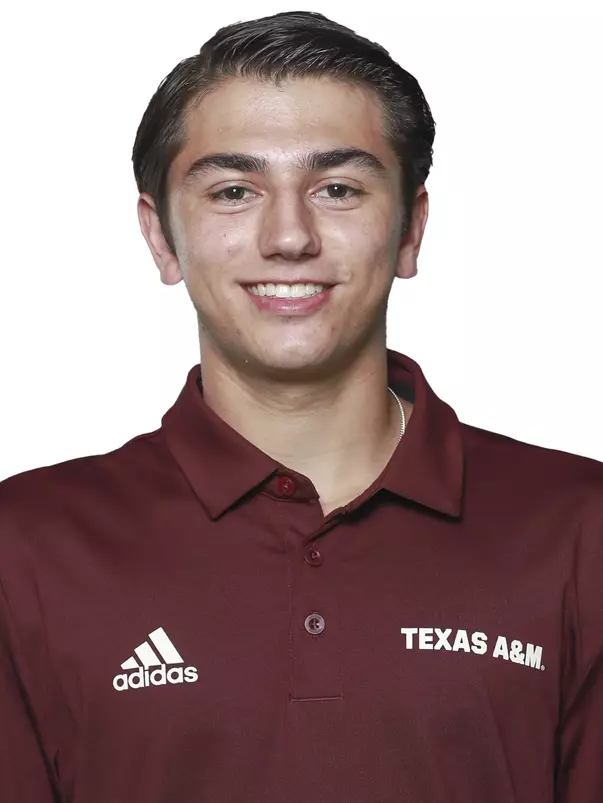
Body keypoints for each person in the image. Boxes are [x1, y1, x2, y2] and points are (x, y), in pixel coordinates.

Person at [1, 9, 601, 802]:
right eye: (233, 190)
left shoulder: (578, 527)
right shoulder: (27, 545)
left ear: (411, 228)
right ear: (161, 238)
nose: (289, 236)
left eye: (338, 188)